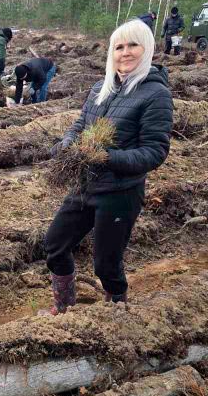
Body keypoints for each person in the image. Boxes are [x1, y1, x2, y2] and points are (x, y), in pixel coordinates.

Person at [45, 20, 173, 313]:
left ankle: (116, 313)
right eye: (119, 47)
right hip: (86, 183)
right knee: (54, 244)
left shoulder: (155, 94)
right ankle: (64, 307)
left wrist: (108, 157)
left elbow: (155, 152)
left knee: (106, 263)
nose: (125, 53)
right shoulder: (100, 88)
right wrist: (67, 144)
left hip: (120, 192)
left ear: (147, 49)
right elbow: (80, 125)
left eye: (133, 45)